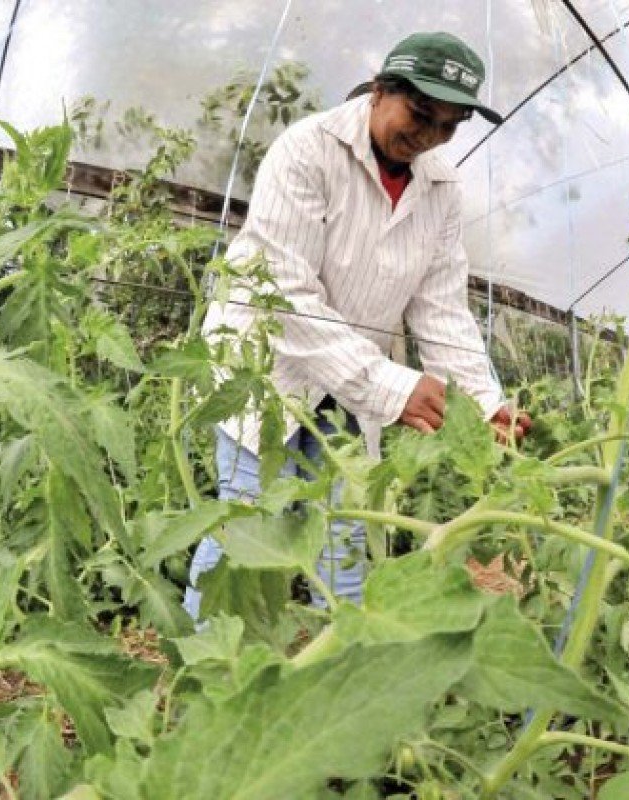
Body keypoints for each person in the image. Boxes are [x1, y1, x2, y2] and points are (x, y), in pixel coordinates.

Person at [184, 31, 531, 621]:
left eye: (449, 126)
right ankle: (205, 666)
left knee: (347, 528)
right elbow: (286, 294)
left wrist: (482, 403)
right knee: (246, 524)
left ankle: (338, 667)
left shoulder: (440, 186)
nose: (428, 137)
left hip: (350, 380)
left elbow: (441, 308)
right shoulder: (307, 150)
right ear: (379, 90)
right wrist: (395, 387)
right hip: (264, 369)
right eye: (420, 114)